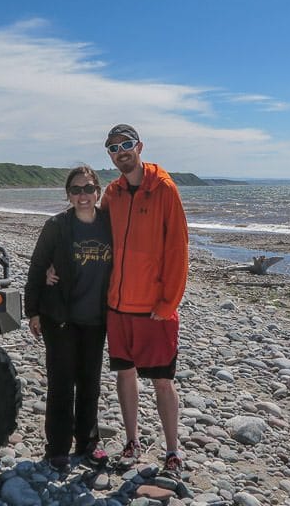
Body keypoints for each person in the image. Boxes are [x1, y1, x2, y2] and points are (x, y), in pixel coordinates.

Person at [100, 124, 189, 478]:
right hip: (118, 305)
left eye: (126, 144)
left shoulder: (164, 189)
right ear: (109, 154)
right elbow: (89, 233)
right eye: (113, 147)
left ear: (139, 146)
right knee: (125, 375)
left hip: (154, 309)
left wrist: (168, 303)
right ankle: (132, 441)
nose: (121, 151)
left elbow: (178, 249)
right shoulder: (113, 192)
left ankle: (172, 452)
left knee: (162, 380)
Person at [24, 165, 112, 471]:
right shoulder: (57, 226)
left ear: (98, 192)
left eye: (88, 189)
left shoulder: (109, 225)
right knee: (61, 383)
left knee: (90, 384)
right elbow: (37, 267)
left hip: (96, 319)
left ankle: (88, 444)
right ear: (68, 195)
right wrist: (32, 311)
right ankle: (57, 448)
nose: (83, 195)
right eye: (76, 190)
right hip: (60, 317)